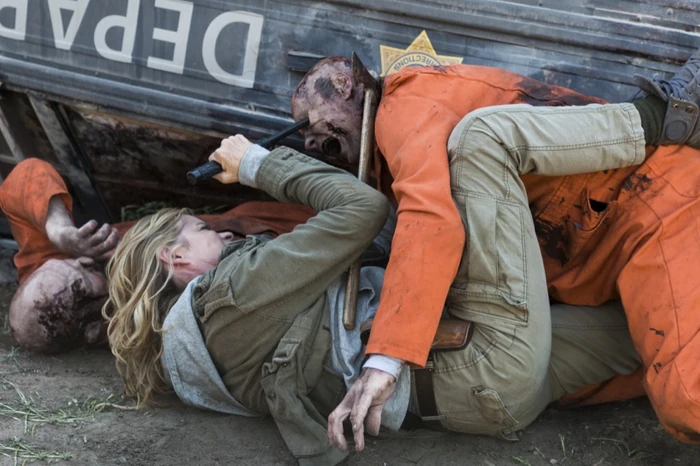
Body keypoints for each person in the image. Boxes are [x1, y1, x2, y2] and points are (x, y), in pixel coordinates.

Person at [105, 101, 678, 465]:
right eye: (204, 230)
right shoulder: (229, 298)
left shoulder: (212, 359)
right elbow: (362, 210)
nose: (225, 232)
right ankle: (666, 115)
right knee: (484, 139)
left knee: (657, 334)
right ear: (175, 257)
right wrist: (259, 163)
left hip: (481, 399)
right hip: (483, 360)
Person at [290, 50, 700, 448]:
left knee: (687, 397)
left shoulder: (402, 105)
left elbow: (428, 220)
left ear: (343, 85)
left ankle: (661, 115)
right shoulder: (386, 157)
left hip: (658, 208)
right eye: (302, 137)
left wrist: (385, 360)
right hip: (607, 250)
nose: (309, 142)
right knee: (619, 360)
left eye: (309, 122)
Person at [0, 158, 314, 353]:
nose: (82, 260)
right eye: (85, 277)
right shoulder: (158, 325)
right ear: (94, 331)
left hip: (245, 220)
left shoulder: (45, 277)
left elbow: (26, 175)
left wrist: (60, 231)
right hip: (284, 242)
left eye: (66, 261)